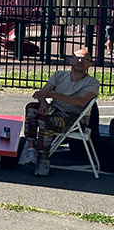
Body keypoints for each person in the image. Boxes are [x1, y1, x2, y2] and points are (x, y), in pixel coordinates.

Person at [23, 47, 100, 177]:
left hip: (75, 117)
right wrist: (43, 103)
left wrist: (54, 95)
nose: (80, 61)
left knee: (47, 120)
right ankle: (31, 149)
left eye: (85, 59)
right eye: (77, 58)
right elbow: (42, 93)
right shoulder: (59, 75)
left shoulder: (92, 83)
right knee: (31, 108)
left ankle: (44, 160)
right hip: (55, 110)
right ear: (71, 61)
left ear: (89, 65)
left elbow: (81, 102)